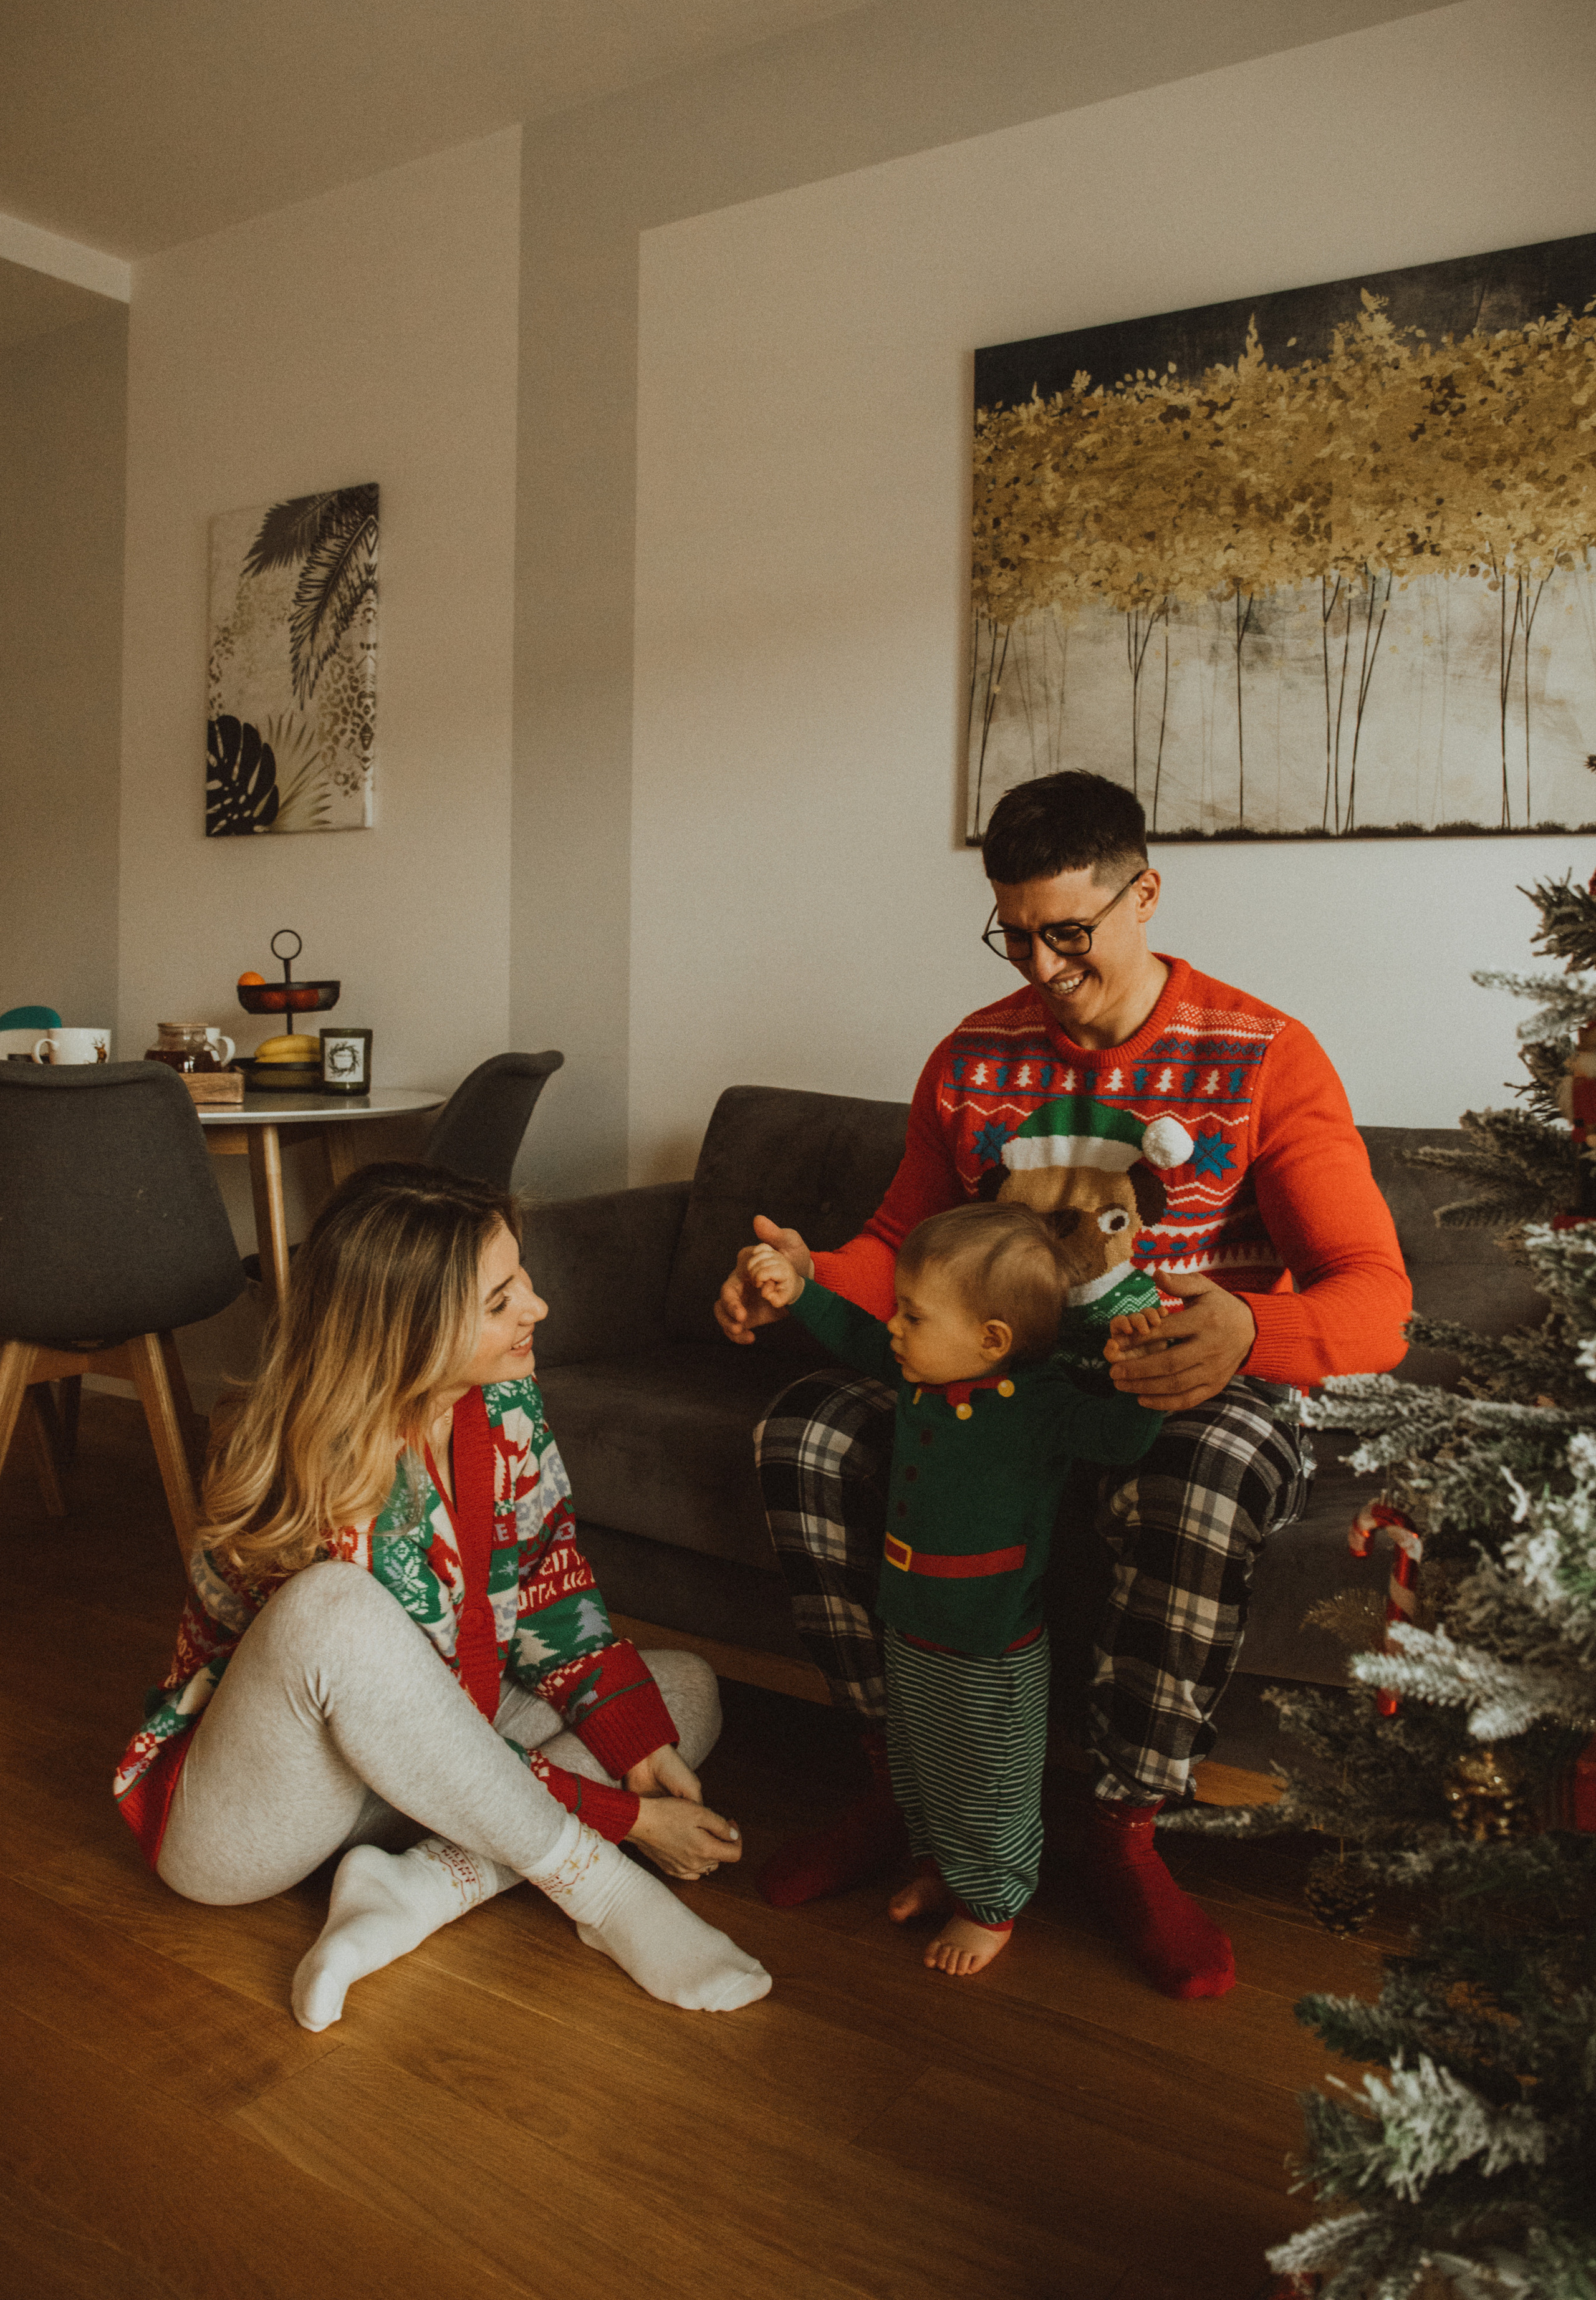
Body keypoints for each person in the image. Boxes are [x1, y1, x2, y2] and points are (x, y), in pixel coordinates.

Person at [716, 768, 1410, 2001]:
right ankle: (902, 1786)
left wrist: (1248, 1333)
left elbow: (1375, 1298)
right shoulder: (968, 1063)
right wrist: (795, 1273)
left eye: (1067, 932)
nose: (1037, 965)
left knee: (1209, 1472)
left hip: (1178, 1388)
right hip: (994, 1390)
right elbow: (893, 1251)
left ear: (1143, 896)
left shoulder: (1263, 1057)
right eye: (1013, 931)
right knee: (807, 1433)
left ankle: (1123, 1831)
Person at [116, 1160, 771, 2029]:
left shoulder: (505, 1404)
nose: (535, 1308)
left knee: (683, 1690)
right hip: (255, 1816)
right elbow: (387, 1720)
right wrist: (625, 1822)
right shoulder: (298, 1467)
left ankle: (420, 1888)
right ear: (405, 1333)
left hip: (421, 1771)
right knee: (331, 1608)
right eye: (499, 1303)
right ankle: (600, 1891)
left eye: (521, 1277)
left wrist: (639, 1752)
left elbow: (547, 1591)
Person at [748, 1203, 1163, 1977]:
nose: (894, 1330)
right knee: (920, 1762)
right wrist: (799, 1289)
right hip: (910, 1622)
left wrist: (1136, 1380)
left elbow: (1120, 1437)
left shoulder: (1039, 1405)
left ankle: (992, 1907)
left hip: (988, 1642)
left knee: (987, 1782)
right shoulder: (924, 1373)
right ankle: (943, 1868)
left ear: (992, 1340)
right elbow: (856, 1334)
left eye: (912, 1315)